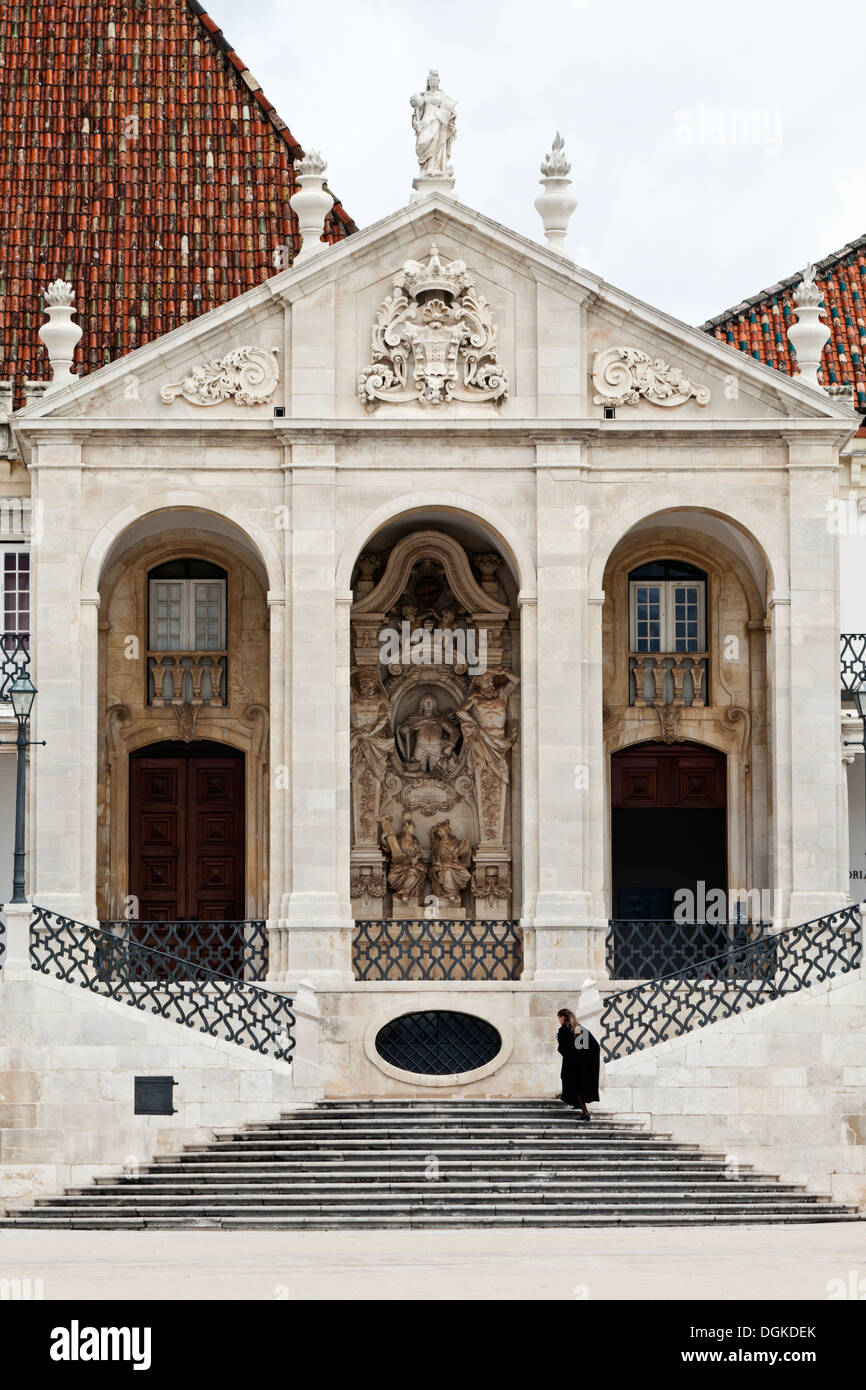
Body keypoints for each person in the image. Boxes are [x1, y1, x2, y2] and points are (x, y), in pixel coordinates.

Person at [556, 1008, 600, 1121]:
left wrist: (559, 1041)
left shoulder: (563, 1030)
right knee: (578, 1087)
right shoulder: (579, 1028)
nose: (559, 1021)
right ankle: (576, 1104)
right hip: (582, 1065)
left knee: (574, 1087)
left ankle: (585, 1112)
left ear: (562, 1017)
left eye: (559, 1018)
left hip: (571, 1065)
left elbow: (564, 1049)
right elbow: (593, 1046)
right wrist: (586, 1060)